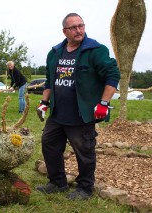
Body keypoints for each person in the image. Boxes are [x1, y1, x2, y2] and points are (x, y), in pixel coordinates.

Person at [35, 13, 120, 200]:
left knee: (84, 153)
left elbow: (113, 77)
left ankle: (85, 188)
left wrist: (104, 103)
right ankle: (57, 183)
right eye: (73, 27)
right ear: (64, 31)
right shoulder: (55, 52)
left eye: (81, 25)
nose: (79, 30)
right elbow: (50, 81)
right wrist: (44, 103)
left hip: (81, 116)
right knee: (49, 145)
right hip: (57, 114)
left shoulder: (95, 50)